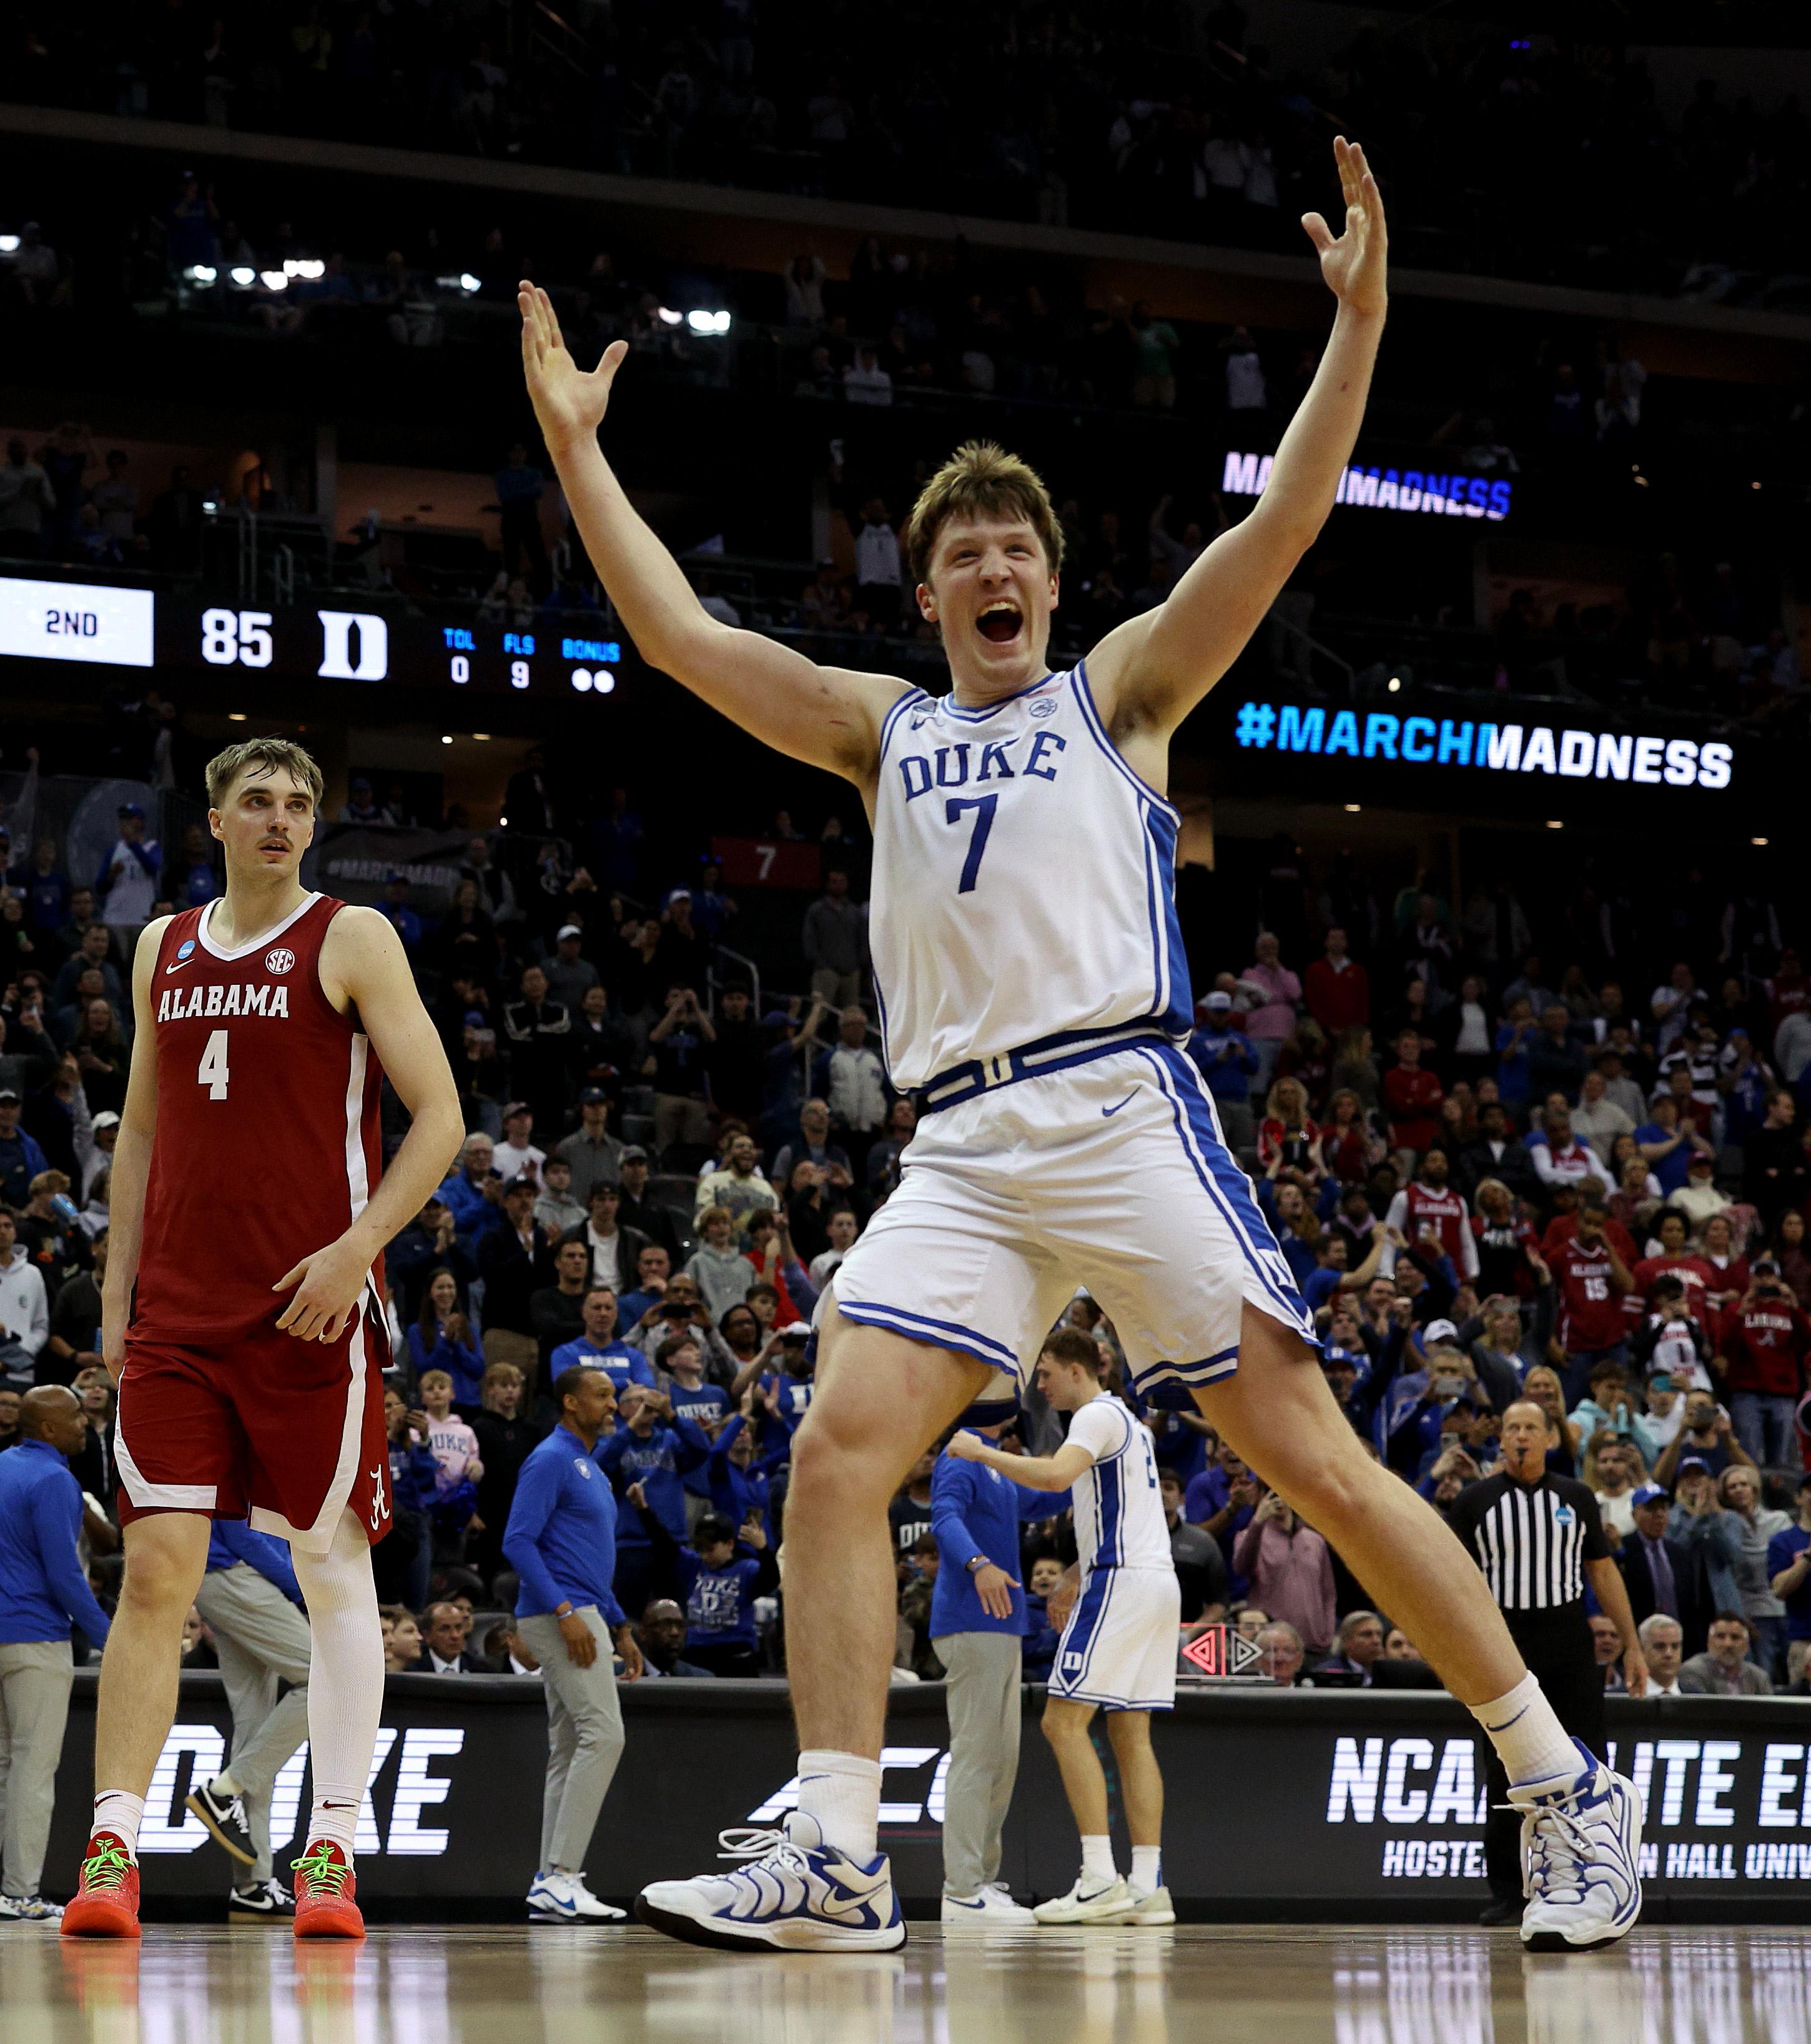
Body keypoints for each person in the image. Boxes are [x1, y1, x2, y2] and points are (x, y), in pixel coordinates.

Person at [535, 147, 1638, 1958]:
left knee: (1319, 1469)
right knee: (834, 1455)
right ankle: (829, 1845)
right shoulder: (872, 728)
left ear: (1047, 586)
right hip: (958, 1148)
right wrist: (579, 449)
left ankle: (1557, 1787)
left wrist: (1353, 330)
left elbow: (1276, 523)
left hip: (1122, 1106)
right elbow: (672, 633)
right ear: (921, 588)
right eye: (958, 548)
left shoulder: (1114, 691)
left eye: (1014, 547)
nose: (989, 563)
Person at [67, 739, 463, 1943]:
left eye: (298, 803)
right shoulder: (162, 945)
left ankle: (332, 1841)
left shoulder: (351, 937)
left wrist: (355, 1250)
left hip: (311, 1305)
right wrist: (113, 1294)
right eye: (259, 801)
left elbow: (440, 1116)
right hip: (179, 1313)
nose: (281, 818)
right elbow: (137, 1132)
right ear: (216, 817)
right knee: (154, 1573)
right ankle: (112, 1849)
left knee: (330, 1567)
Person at [946, 1331, 1178, 1925]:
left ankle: (1099, 1877)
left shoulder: (1096, 1416)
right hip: (1154, 1579)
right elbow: (1123, 1513)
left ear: (1078, 1369)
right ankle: (1148, 1885)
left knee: (1061, 1720)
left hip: (1122, 1582)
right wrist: (1073, 1572)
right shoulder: (1134, 1426)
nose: (1039, 1385)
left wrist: (980, 1451)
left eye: (1046, 1372)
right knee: (1130, 1733)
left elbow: (1052, 1478)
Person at [1443, 1400, 1643, 1925]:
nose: (1521, 1436)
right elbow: (1452, 1580)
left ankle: (1603, 1876)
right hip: (1501, 1642)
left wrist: (1633, 1644)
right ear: (1500, 1439)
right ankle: (1510, 1892)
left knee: (1589, 1761)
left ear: (1550, 1437)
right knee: (1501, 1768)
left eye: (1530, 1427)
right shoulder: (1474, 1500)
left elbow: (1602, 1572)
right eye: (1511, 1428)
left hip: (1568, 1639)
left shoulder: (1575, 1497)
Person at [0, 1385, 113, 1922]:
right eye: (75, 1417)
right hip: (34, 1637)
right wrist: (111, 1636)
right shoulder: (55, 1479)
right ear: (47, 1429)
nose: (84, 1424)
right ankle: (18, 1893)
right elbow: (63, 1572)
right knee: (33, 1769)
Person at [502, 1364, 641, 1923]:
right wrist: (564, 1612)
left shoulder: (590, 1466)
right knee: (604, 1733)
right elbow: (517, 1540)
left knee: (567, 1747)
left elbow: (590, 1560)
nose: (613, 1404)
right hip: (559, 1614)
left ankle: (549, 1881)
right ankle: (562, 1874)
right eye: (602, 1395)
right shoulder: (551, 1458)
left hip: (587, 1611)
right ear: (569, 1402)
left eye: (614, 1395)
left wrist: (621, 1624)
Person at [928, 1403, 1070, 1927]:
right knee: (976, 1756)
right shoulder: (961, 1455)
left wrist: (1091, 1469)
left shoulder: (994, 1462)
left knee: (1000, 1761)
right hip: (971, 1619)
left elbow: (1042, 1496)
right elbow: (942, 1515)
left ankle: (980, 1882)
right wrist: (979, 1563)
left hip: (1002, 1624)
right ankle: (962, 1889)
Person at [186, 1520, 313, 1914]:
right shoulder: (251, 1457)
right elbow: (241, 1530)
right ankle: (222, 1792)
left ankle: (252, 1884)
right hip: (236, 1572)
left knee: (255, 1728)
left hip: (228, 1574)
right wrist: (297, 1586)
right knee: (325, 1681)